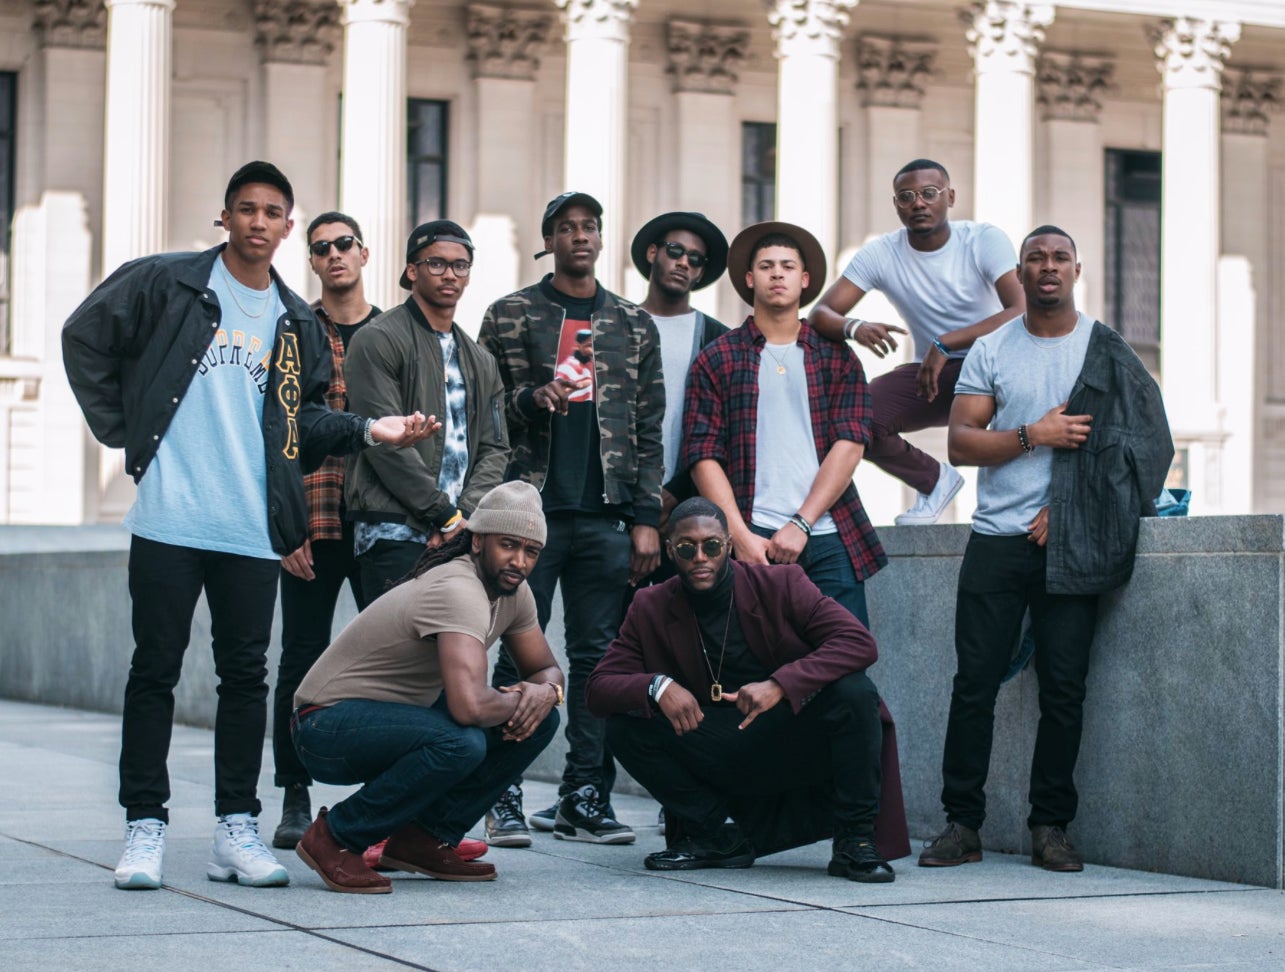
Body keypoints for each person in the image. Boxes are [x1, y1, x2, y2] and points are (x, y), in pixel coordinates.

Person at [61, 161, 434, 891]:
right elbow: (84, 337)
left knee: (245, 679)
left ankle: (236, 828)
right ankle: (145, 826)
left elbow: (298, 422)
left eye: (271, 212)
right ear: (224, 218)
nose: (258, 222)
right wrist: (128, 433)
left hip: (246, 526)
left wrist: (369, 430)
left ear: (288, 228)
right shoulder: (166, 282)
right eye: (245, 209)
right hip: (170, 516)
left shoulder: (295, 319)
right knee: (154, 672)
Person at [919, 226, 1172, 872]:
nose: (1047, 267)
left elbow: (1144, 449)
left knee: (1064, 689)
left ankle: (1049, 826)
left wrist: (1073, 509)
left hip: (1071, 543)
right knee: (972, 685)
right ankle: (960, 824)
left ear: (1076, 271)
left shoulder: (1104, 350)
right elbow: (959, 444)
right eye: (1035, 258)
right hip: (996, 540)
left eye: (1059, 257)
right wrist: (1034, 434)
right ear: (1022, 273)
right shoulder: (993, 349)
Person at [586, 497, 909, 879]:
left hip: (788, 739)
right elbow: (598, 688)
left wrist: (780, 683)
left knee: (855, 692)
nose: (700, 557)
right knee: (623, 726)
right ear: (671, 550)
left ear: (729, 545)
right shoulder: (650, 604)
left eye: (712, 546)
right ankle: (717, 837)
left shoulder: (781, 583)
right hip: (711, 747)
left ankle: (855, 841)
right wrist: (656, 685)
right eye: (687, 548)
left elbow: (859, 642)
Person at [478, 191, 664, 847]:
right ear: (549, 238)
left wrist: (646, 515)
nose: (579, 236)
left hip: (604, 517)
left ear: (600, 238)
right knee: (512, 656)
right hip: (526, 518)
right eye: (566, 227)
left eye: (589, 226)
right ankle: (496, 791)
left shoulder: (634, 324)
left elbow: (648, 425)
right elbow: (485, 410)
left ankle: (584, 797)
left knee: (597, 662)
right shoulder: (508, 315)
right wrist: (533, 399)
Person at [292, 481, 565, 894]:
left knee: (542, 721)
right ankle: (334, 837)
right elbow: (468, 707)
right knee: (461, 741)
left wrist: (546, 694)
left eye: (531, 551)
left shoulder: (513, 593)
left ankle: (423, 839)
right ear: (477, 542)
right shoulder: (457, 587)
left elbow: (545, 668)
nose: (519, 561)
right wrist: (527, 696)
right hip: (324, 725)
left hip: (393, 722)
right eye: (508, 545)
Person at [684, 221, 886, 626]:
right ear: (749, 278)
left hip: (828, 532)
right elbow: (703, 454)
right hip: (751, 533)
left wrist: (801, 523)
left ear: (804, 279)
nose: (777, 273)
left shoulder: (837, 357)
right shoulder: (717, 357)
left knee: (845, 666)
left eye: (788, 266)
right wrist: (738, 537)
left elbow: (850, 445)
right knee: (753, 667)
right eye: (766, 266)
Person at [808, 159, 1024, 526]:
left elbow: (1021, 310)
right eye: (906, 197)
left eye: (929, 193)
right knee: (856, 418)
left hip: (999, 367)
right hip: (934, 374)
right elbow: (820, 313)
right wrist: (854, 326)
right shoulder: (882, 253)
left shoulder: (982, 240)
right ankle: (935, 481)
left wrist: (946, 341)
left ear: (950, 197)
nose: (918, 203)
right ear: (896, 205)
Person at [270, 211, 380, 850]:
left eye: (343, 244)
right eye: (321, 249)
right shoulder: (295, 331)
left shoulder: (396, 330)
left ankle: (388, 801)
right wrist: (287, 527)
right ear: (311, 262)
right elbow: (279, 432)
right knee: (300, 659)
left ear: (363, 253)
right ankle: (293, 793)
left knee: (397, 657)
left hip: (383, 520)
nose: (334, 255)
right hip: (312, 520)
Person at [344, 220, 509, 601]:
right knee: (396, 658)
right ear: (412, 271)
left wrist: (464, 518)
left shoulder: (482, 360)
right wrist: (443, 515)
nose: (450, 274)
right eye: (436, 263)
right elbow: (382, 441)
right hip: (393, 532)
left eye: (460, 265)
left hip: (459, 537)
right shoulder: (377, 339)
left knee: (450, 657)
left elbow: (495, 448)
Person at [630, 210, 730, 538]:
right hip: (618, 502)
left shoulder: (717, 338)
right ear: (652, 253)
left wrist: (677, 488)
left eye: (696, 258)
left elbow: (721, 426)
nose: (684, 262)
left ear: (700, 273)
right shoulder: (615, 325)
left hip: (689, 507)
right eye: (675, 250)